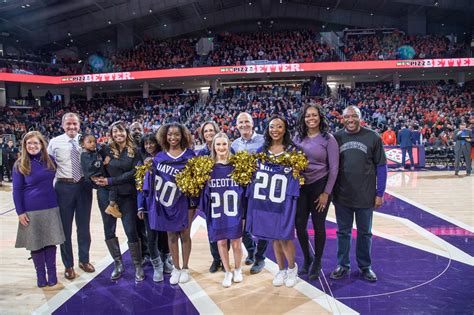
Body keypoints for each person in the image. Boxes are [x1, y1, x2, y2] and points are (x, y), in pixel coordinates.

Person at [330, 106, 387, 282]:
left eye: (354, 116)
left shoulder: (373, 137)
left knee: (365, 233)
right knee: (343, 233)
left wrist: (380, 193)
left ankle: (365, 266)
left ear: (360, 117)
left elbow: (381, 167)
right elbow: (330, 167)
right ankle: (342, 265)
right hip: (342, 195)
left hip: (366, 195)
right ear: (342, 119)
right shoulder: (336, 138)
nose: (351, 119)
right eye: (347, 116)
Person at [246, 116, 300, 287]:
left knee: (285, 236)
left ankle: (292, 269)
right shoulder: (262, 150)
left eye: (279, 126)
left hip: (285, 201)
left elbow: (299, 175)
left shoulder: (293, 150)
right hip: (267, 200)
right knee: (274, 237)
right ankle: (281, 269)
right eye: (271, 127)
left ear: (285, 129)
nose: (275, 130)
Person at [93, 121, 144, 281]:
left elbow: (134, 173)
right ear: (111, 134)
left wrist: (111, 180)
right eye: (115, 132)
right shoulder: (104, 150)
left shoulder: (135, 150)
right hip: (106, 195)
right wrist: (95, 177)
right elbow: (94, 167)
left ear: (126, 132)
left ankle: (137, 265)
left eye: (121, 131)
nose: (118, 135)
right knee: (109, 230)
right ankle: (118, 264)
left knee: (131, 230)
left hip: (127, 195)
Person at [13, 131, 65, 287]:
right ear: (24, 146)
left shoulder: (50, 160)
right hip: (30, 210)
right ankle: (40, 276)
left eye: (36, 143)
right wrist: (20, 212)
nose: (32, 146)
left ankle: (53, 274)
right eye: (29, 143)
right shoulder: (19, 164)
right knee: (36, 244)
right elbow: (16, 190)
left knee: (50, 242)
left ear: (42, 144)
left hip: (51, 206)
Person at [293, 104, 339, 280]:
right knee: (299, 225)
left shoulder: (329, 139)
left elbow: (334, 169)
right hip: (301, 186)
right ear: (303, 119)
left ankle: (318, 260)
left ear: (320, 117)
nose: (311, 118)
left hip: (320, 186)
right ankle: (307, 258)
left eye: (314, 115)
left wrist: (326, 193)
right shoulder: (298, 137)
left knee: (319, 226)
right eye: (307, 116)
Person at [48, 113, 95, 280]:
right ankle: (68, 265)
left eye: (75, 124)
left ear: (79, 125)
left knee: (84, 227)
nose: (72, 127)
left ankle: (84, 260)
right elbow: (48, 167)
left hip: (83, 186)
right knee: (65, 229)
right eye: (68, 124)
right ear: (62, 125)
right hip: (63, 186)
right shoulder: (54, 143)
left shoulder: (87, 141)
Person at [149, 123, 195, 285]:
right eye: (170, 135)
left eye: (176, 134)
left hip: (186, 201)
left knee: (185, 233)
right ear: (164, 136)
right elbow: (153, 182)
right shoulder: (159, 157)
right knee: (171, 235)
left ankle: (185, 267)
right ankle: (176, 267)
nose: (173, 137)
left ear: (182, 136)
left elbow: (197, 180)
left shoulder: (190, 155)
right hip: (167, 201)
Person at [199, 132, 244, 288]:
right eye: (218, 144)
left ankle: (238, 269)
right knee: (222, 242)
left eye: (224, 144)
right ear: (213, 147)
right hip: (217, 212)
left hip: (234, 212)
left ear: (229, 145)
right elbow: (203, 193)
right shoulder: (207, 168)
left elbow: (245, 190)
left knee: (237, 243)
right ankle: (227, 271)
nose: (221, 147)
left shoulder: (237, 165)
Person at [230, 112, 268, 274]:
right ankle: (251, 251)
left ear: (252, 124)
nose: (244, 125)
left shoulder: (263, 141)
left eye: (247, 121)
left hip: (260, 189)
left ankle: (260, 258)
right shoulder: (234, 145)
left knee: (262, 225)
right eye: (240, 122)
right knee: (242, 226)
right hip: (241, 190)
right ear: (236, 126)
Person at [137, 133, 173, 282]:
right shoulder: (141, 163)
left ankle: (165, 261)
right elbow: (139, 187)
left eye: (151, 143)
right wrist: (140, 207)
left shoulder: (164, 159)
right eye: (146, 144)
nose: (149, 146)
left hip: (163, 203)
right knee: (151, 236)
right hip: (148, 205)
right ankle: (157, 265)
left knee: (164, 234)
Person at [197, 121, 228, 273]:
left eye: (211, 130)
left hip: (226, 196)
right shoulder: (201, 153)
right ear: (202, 134)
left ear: (216, 131)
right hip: (210, 197)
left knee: (227, 228)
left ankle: (225, 259)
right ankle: (216, 259)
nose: (208, 133)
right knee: (212, 229)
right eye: (206, 131)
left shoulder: (228, 148)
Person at [79, 133, 121, 218]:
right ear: (83, 144)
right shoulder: (84, 155)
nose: (93, 144)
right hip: (95, 177)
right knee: (113, 187)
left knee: (112, 187)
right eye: (89, 142)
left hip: (98, 176)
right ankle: (112, 206)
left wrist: (103, 146)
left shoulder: (93, 152)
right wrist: (104, 162)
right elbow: (92, 165)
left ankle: (112, 205)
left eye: (94, 141)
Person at [129, 122, 150, 264]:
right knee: (135, 226)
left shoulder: (147, 148)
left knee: (147, 226)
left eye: (139, 129)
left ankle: (150, 252)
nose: (137, 131)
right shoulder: (126, 149)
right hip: (130, 193)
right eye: (133, 129)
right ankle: (141, 255)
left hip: (146, 192)